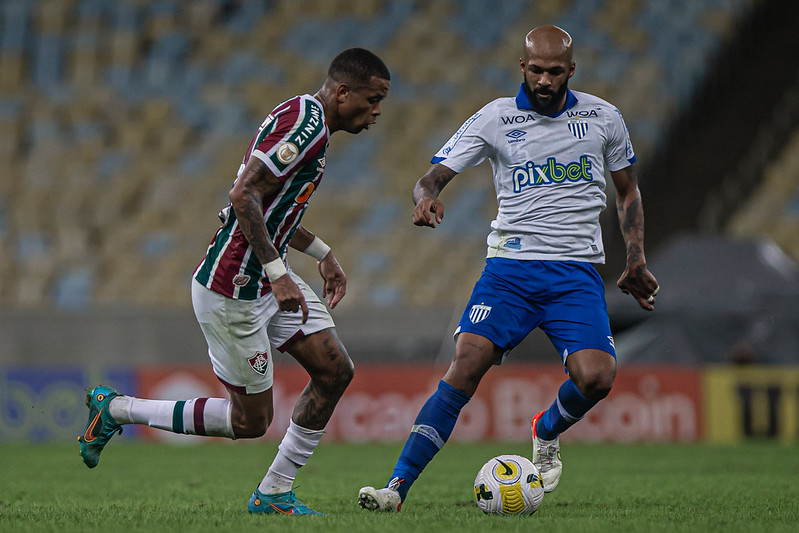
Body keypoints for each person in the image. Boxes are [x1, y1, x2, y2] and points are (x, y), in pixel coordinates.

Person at [78, 47, 391, 516]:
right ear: (343, 91)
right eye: (371, 100)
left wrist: (323, 255)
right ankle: (117, 409)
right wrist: (278, 273)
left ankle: (274, 492)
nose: (376, 113)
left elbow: (269, 207)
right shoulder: (306, 126)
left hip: (265, 278)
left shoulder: (309, 123)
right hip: (233, 289)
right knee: (251, 422)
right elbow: (242, 194)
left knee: (335, 371)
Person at [358, 25, 658, 512]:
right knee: (465, 366)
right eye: (535, 70)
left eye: (554, 72)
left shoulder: (604, 118)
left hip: (575, 274)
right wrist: (426, 198)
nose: (544, 80)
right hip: (509, 272)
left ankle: (546, 429)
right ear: (522, 67)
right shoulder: (495, 118)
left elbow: (627, 190)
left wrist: (636, 257)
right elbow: (430, 176)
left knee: (598, 379)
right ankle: (395, 488)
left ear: (571, 72)